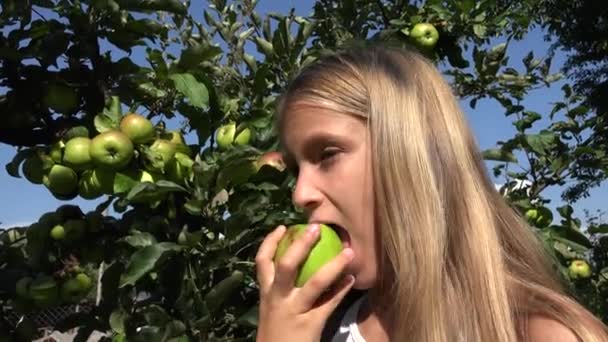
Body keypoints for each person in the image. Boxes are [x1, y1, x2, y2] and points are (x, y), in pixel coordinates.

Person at [254, 45, 608, 342]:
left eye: (327, 155)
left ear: (411, 154)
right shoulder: (325, 326)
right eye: (297, 170)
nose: (300, 195)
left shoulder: (540, 333)